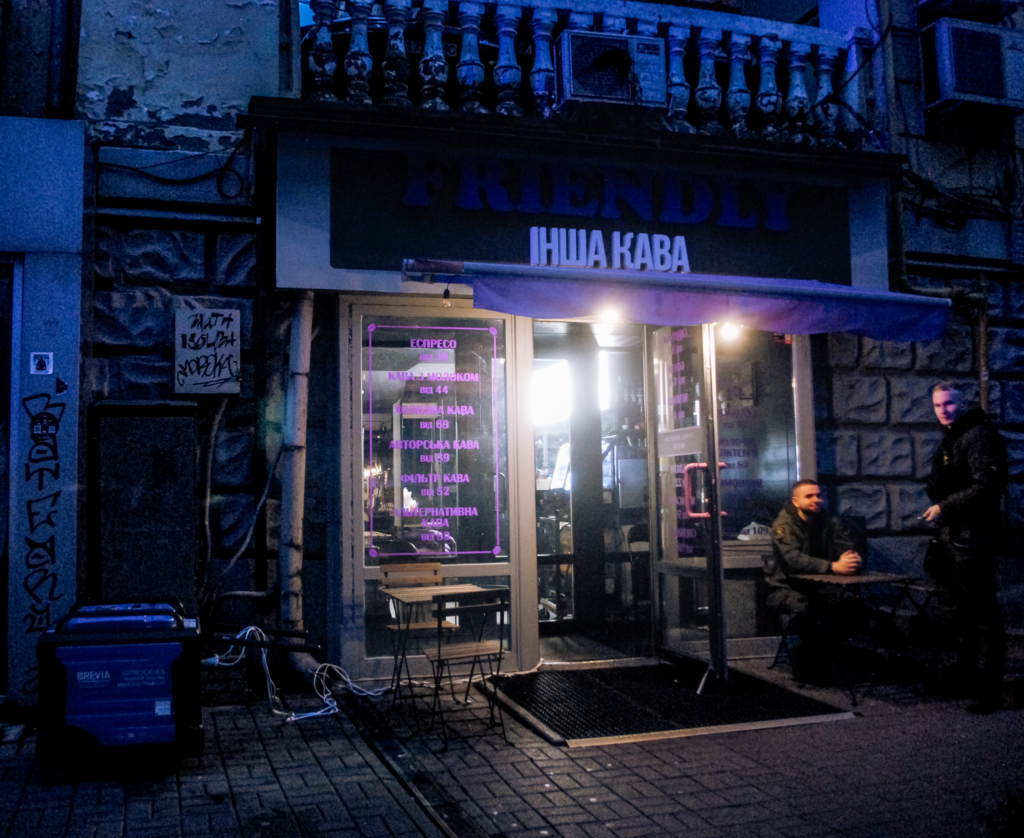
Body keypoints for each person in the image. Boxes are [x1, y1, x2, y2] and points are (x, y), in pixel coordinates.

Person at [923, 382, 1008, 714]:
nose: (943, 410)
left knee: (982, 612)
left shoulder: (978, 436)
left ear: (963, 403)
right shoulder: (955, 438)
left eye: (949, 403)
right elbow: (940, 484)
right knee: (962, 610)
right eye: (938, 405)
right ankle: (971, 680)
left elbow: (987, 486)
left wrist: (945, 506)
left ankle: (989, 691)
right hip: (957, 535)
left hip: (972, 537)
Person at [766, 480, 864, 685]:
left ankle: (823, 655)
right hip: (786, 588)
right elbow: (793, 559)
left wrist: (852, 558)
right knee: (807, 611)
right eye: (809, 496)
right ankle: (808, 658)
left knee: (853, 606)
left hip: (821, 586)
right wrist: (833, 567)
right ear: (795, 501)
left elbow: (845, 544)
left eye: (819, 495)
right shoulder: (784, 525)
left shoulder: (828, 520)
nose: (816, 500)